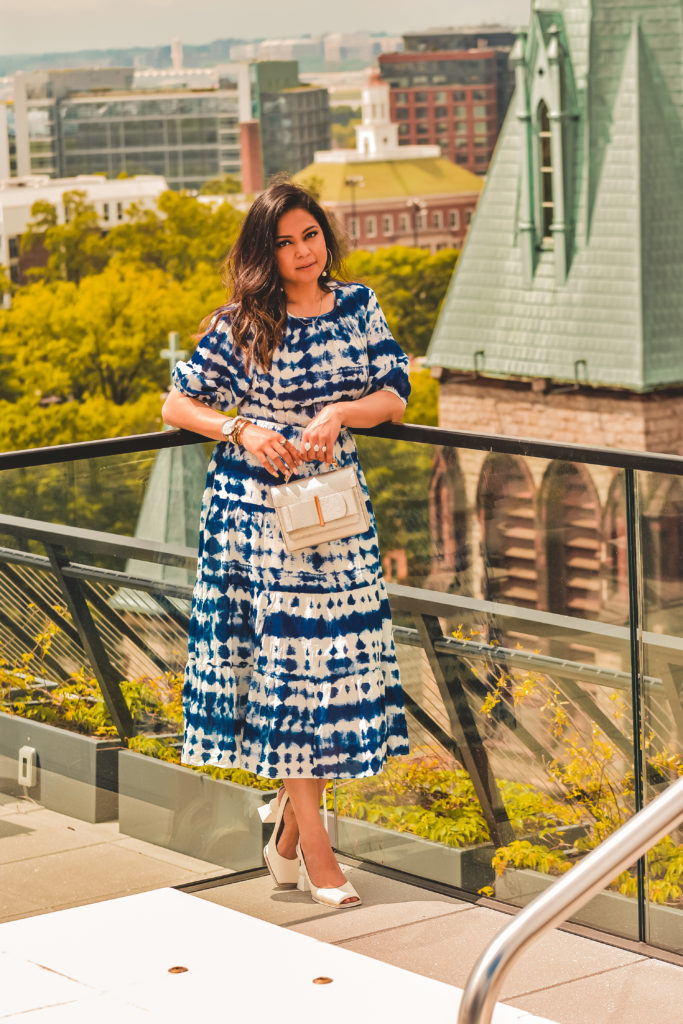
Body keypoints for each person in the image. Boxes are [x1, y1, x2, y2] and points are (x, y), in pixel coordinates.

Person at [161, 180, 410, 909]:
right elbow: (178, 402)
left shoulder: (358, 306)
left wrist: (339, 411)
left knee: (332, 677)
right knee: (290, 679)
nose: (304, 251)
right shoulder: (242, 321)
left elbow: (394, 394)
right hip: (256, 518)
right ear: (263, 253)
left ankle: (288, 838)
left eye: (312, 235)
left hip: (334, 513)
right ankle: (319, 855)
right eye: (286, 241)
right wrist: (243, 427)